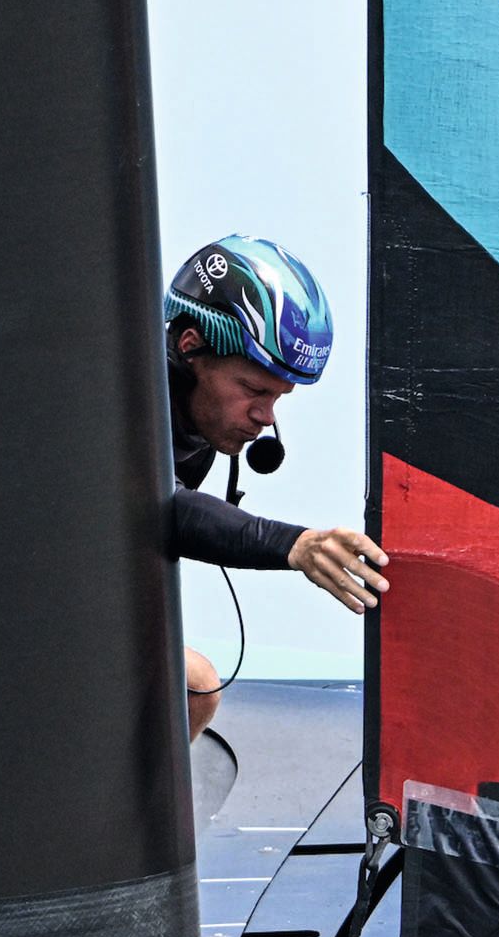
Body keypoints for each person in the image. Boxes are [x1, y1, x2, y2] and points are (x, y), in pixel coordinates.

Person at [165, 235, 387, 739]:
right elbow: (157, 509)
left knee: (193, 690)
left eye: (278, 398)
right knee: (193, 682)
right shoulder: (113, 403)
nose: (265, 418)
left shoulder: (191, 422)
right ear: (190, 346)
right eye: (252, 390)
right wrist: (296, 544)